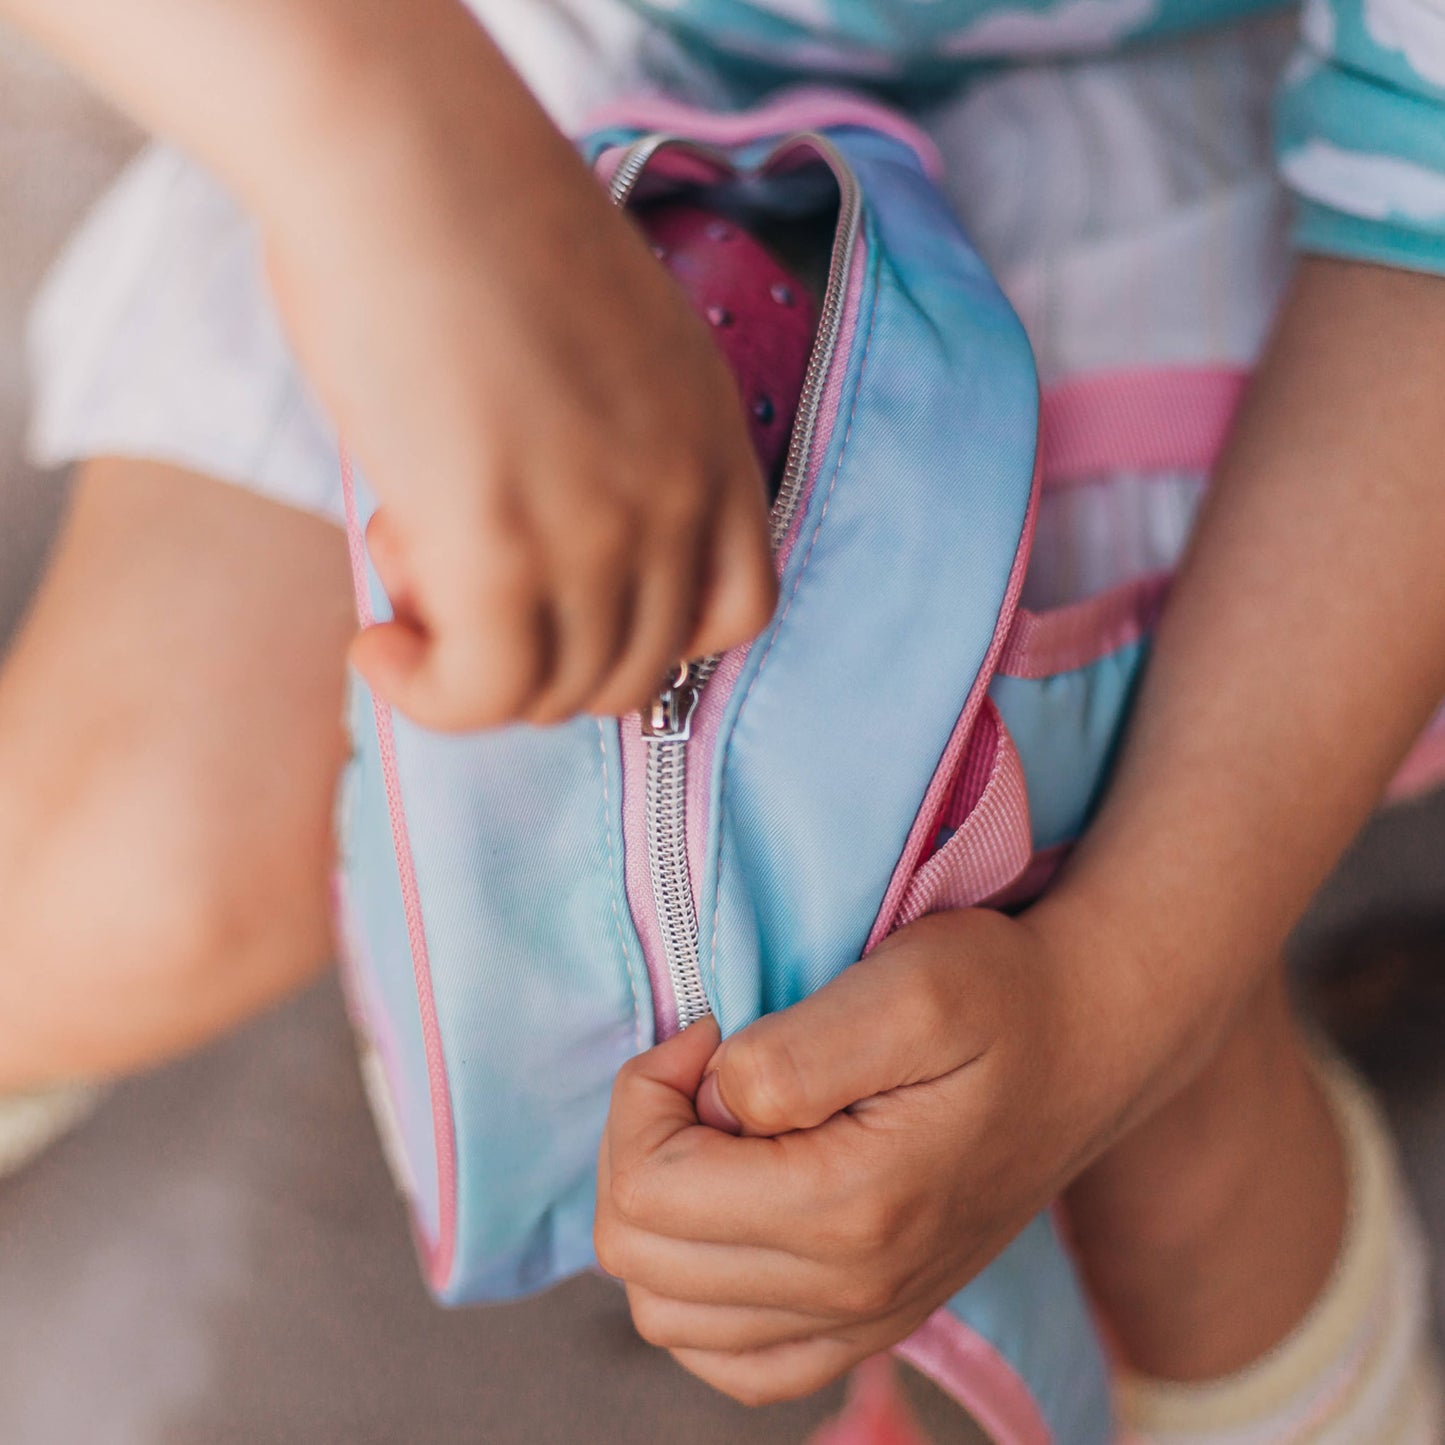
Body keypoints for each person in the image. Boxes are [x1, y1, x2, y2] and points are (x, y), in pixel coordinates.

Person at [1, 0, 1443, 1438]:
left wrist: (1120, 999)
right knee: (121, 868)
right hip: (438, 53)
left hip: (1242, 153)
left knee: (1124, 1044)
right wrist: (387, 149)